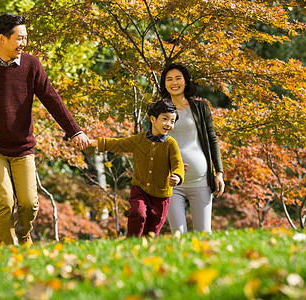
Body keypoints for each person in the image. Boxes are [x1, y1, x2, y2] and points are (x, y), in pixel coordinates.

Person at [0, 13, 90, 245]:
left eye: (26, 38)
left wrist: (75, 130)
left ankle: (23, 236)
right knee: (5, 201)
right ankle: (6, 252)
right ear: (2, 38)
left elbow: (52, 100)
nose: (24, 43)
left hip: (22, 146)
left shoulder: (31, 65)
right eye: (19, 38)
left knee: (28, 203)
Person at [90, 99, 184, 237]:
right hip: (140, 190)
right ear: (153, 119)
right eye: (165, 119)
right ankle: (131, 240)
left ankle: (144, 252)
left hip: (161, 197)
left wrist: (177, 176)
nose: (168, 124)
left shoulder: (171, 144)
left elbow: (178, 163)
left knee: (151, 233)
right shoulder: (139, 140)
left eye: (172, 121)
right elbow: (118, 144)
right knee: (137, 213)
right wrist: (93, 142)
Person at [160, 63, 225, 234]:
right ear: (164, 84)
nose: (174, 82)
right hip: (172, 182)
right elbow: (152, 143)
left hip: (201, 180)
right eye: (169, 79)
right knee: (178, 235)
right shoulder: (159, 110)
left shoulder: (200, 108)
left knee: (204, 234)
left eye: (178, 78)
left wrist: (219, 172)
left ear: (186, 81)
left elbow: (212, 139)